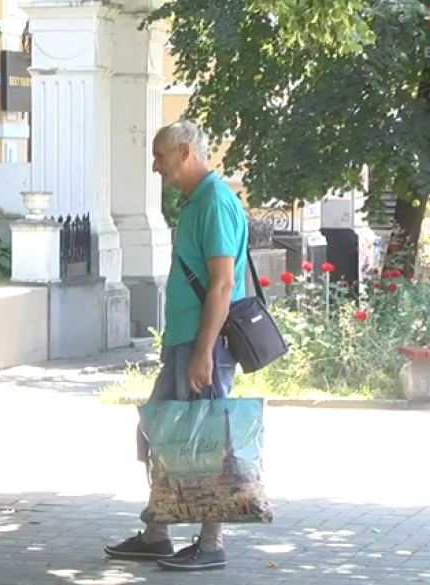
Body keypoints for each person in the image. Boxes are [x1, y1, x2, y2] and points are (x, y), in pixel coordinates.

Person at [104, 121, 247, 571]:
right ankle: (158, 533)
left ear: (184, 152)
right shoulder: (195, 201)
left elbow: (222, 285)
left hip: (204, 345)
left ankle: (210, 543)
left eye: (160, 156)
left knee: (205, 443)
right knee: (159, 433)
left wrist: (204, 351)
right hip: (186, 342)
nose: (154, 165)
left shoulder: (215, 202)